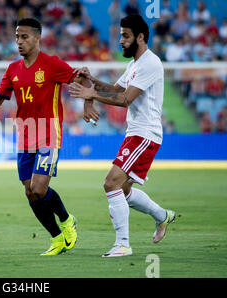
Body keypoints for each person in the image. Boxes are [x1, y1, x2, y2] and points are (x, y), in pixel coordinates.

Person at [0, 18, 99, 256]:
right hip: (24, 135)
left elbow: (83, 79)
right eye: (17, 37)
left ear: (37, 38)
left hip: (49, 134)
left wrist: (87, 104)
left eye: (24, 37)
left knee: (39, 189)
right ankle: (58, 239)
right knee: (30, 192)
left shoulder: (52, 64)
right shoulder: (12, 69)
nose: (19, 42)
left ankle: (66, 219)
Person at [68, 15, 176, 257]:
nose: (121, 41)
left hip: (145, 134)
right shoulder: (134, 65)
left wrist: (90, 94)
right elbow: (115, 90)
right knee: (123, 190)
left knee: (111, 183)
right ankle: (162, 216)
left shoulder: (150, 63)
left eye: (125, 36)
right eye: (120, 35)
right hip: (136, 134)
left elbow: (125, 99)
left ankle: (123, 244)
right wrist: (91, 80)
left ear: (140, 37)